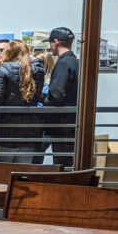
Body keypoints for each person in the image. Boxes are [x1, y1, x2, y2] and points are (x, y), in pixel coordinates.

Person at [0, 39, 42, 163]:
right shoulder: (38, 70)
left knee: (3, 174)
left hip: (6, 129)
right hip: (29, 130)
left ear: (10, 53)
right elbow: (36, 98)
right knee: (22, 174)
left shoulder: (5, 68)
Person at [44, 26, 79, 167]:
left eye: (50, 43)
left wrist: (43, 99)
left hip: (61, 125)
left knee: (60, 164)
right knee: (69, 164)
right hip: (73, 122)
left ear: (56, 42)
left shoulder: (63, 63)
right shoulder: (76, 62)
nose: (50, 47)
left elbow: (56, 95)